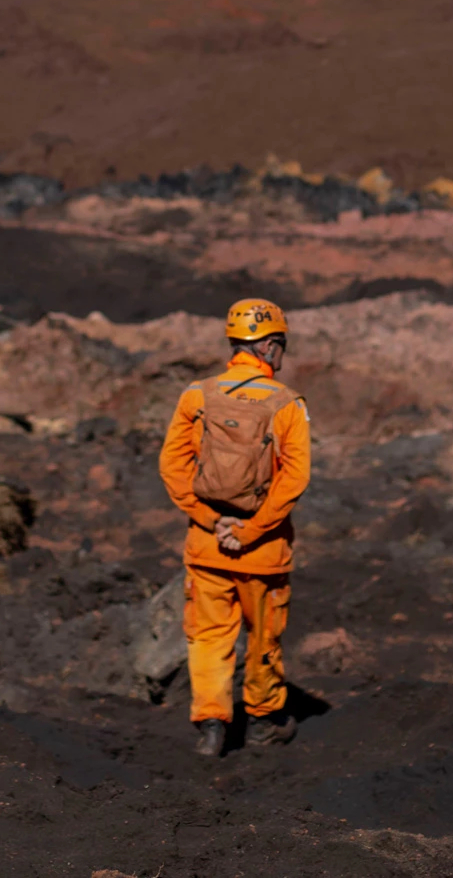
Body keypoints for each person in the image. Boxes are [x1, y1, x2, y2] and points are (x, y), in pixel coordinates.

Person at [157, 297, 312, 758]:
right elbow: (293, 481)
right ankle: (263, 724)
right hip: (262, 552)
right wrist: (249, 531)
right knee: (263, 636)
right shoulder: (287, 404)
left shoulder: (196, 395)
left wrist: (209, 519)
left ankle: (211, 727)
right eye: (280, 345)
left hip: (207, 546)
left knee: (207, 637)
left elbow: (172, 467)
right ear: (268, 346)